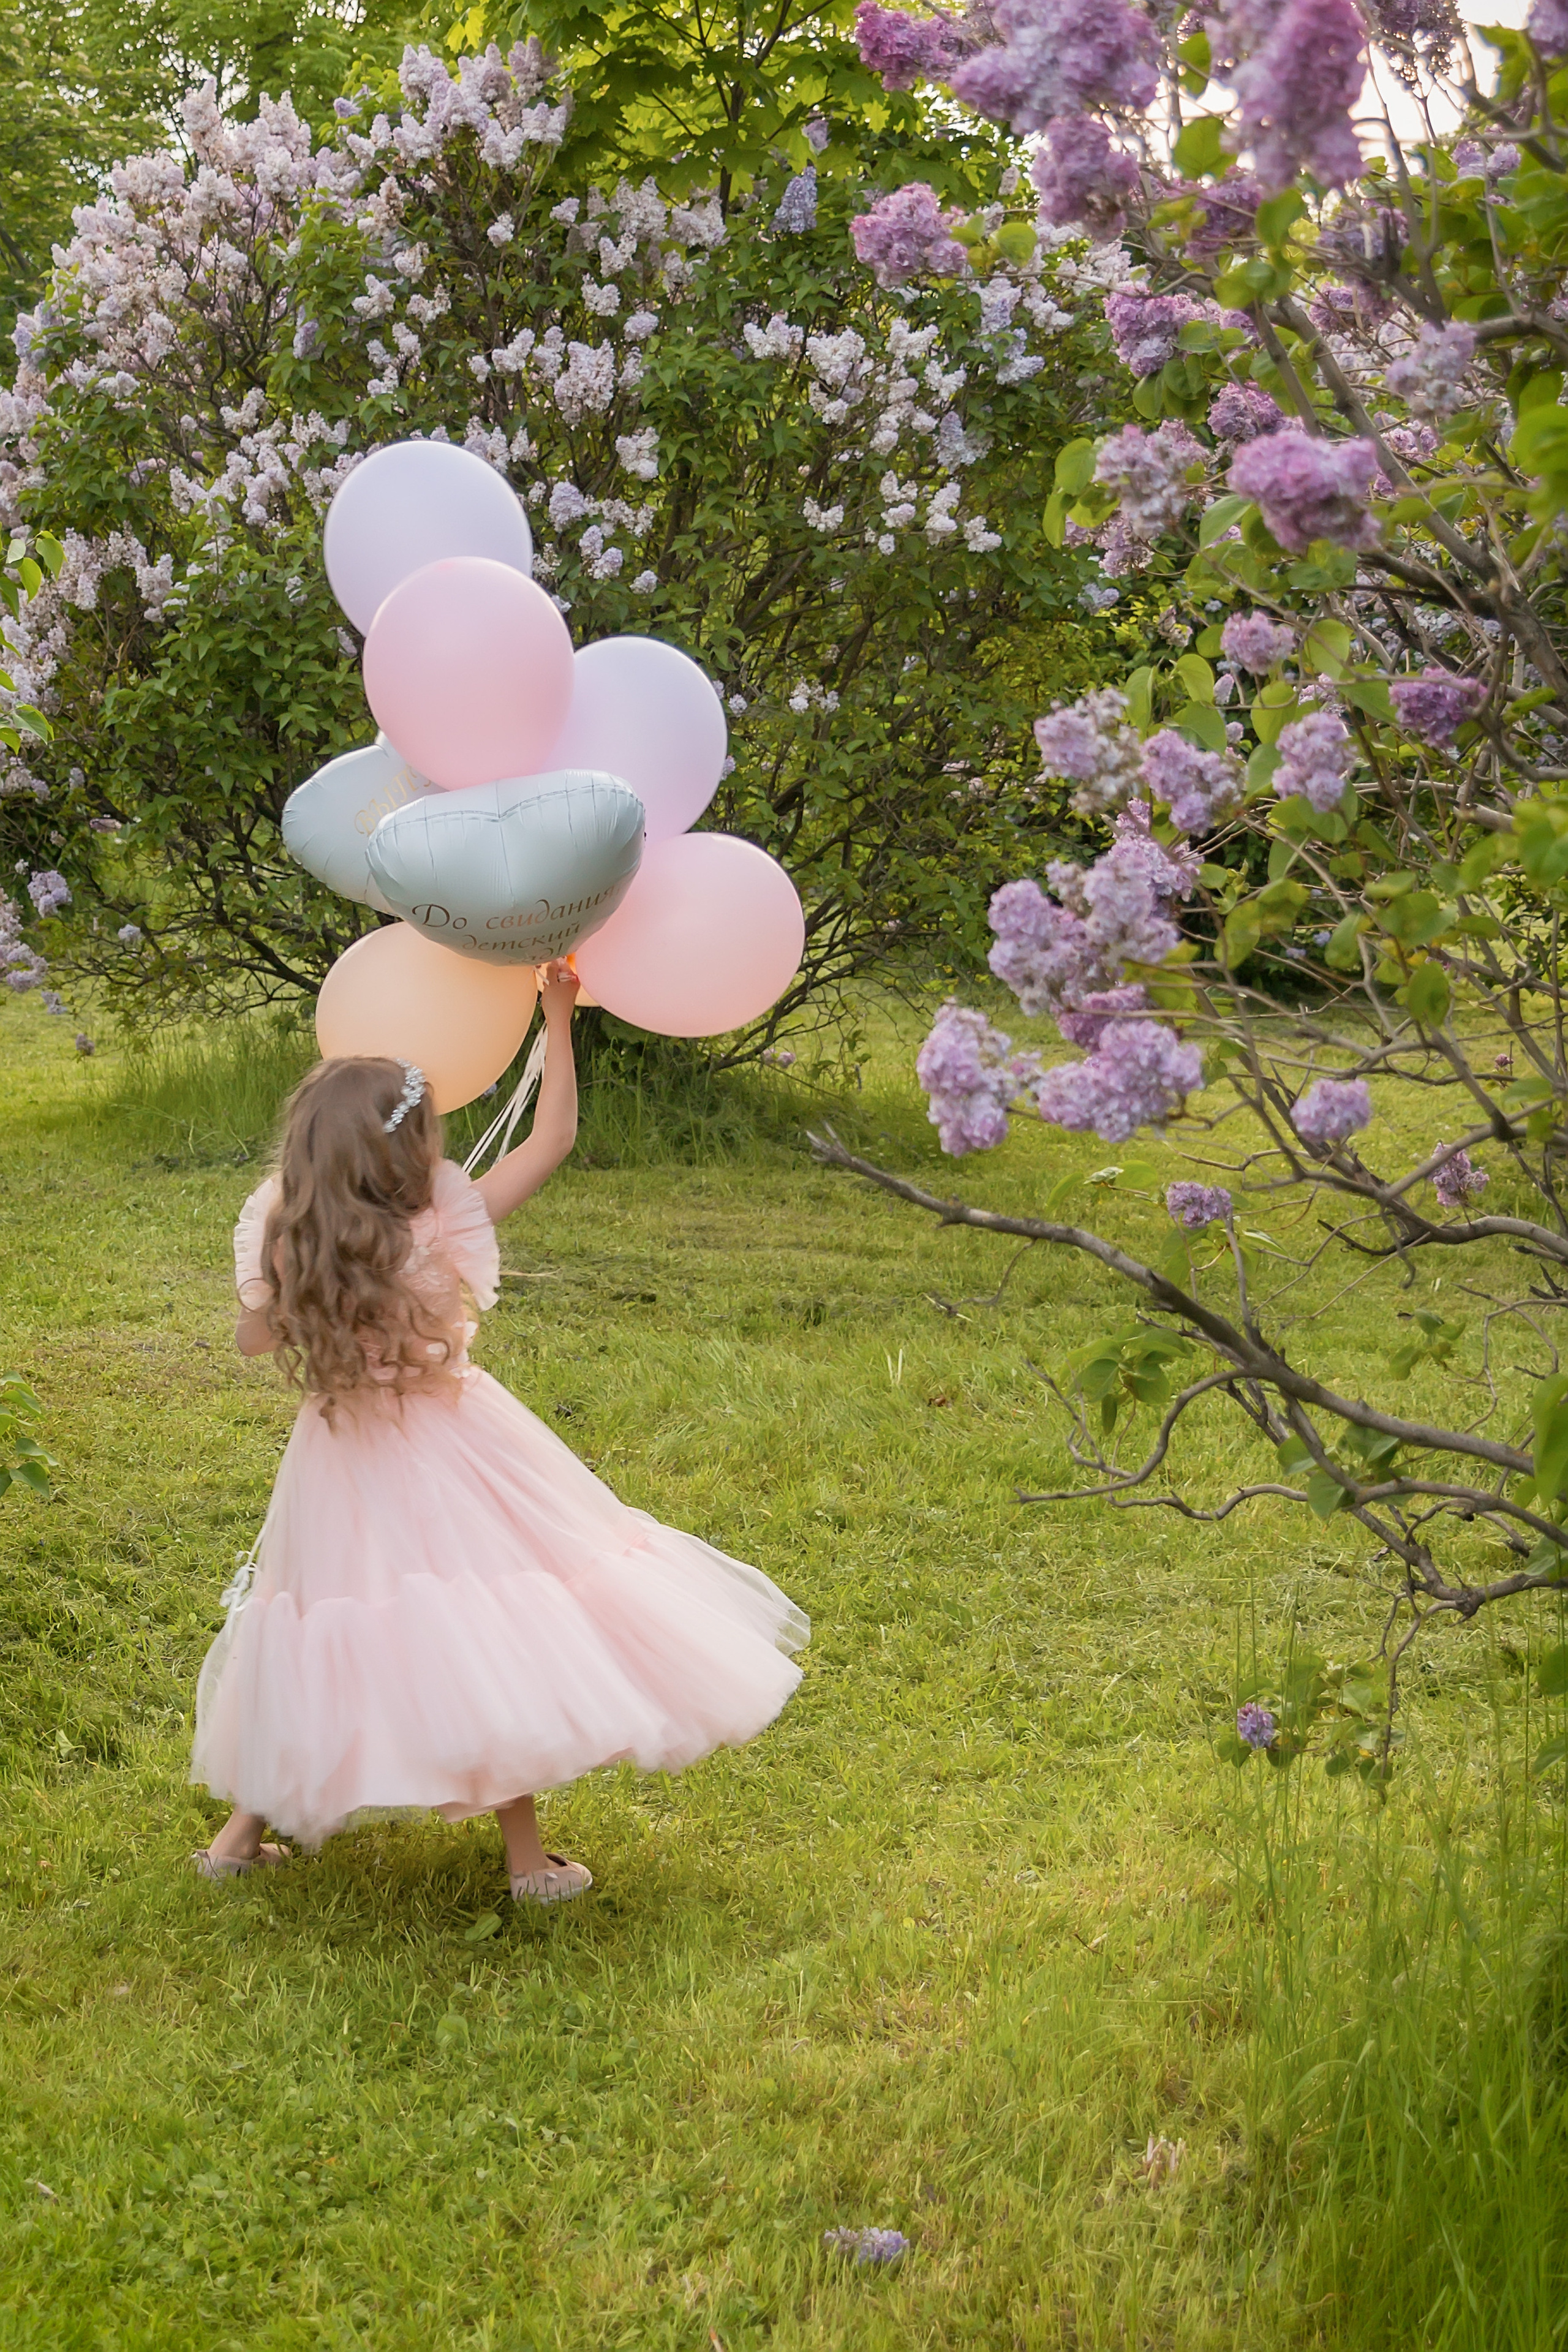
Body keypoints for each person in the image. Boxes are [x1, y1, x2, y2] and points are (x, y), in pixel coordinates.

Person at [190, 959, 807, 1904]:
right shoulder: (436, 1221)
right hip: (450, 1444)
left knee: (319, 1619)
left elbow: (249, 1337)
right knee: (485, 1617)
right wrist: (556, 1016)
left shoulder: (280, 1222)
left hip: (335, 1452)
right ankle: (527, 1865)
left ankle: (238, 1839)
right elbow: (552, 1136)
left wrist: (295, 1290)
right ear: (408, 1154)